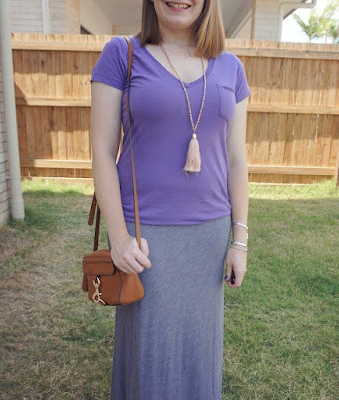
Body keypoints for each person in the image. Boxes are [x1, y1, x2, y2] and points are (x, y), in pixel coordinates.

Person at [89, 0, 251, 398]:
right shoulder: (121, 55)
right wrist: (119, 238)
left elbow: (236, 160)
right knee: (150, 354)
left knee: (199, 348)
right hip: (146, 237)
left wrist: (239, 241)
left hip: (208, 237)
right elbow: (101, 151)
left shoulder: (231, 68)